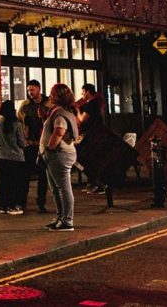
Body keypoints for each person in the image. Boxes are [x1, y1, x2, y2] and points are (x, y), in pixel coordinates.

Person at [40, 83, 79, 232]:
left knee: (63, 188)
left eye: (52, 93)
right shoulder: (57, 111)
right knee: (56, 188)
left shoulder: (61, 113)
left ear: (60, 96)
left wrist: (49, 149)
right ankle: (60, 218)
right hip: (55, 154)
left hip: (58, 154)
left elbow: (59, 132)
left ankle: (67, 221)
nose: (49, 95)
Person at [17, 79, 50, 213]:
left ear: (39, 89)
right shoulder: (24, 105)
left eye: (33, 90)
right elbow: (19, 121)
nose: (30, 93)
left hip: (43, 144)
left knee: (43, 176)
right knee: (24, 175)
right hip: (29, 145)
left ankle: (41, 203)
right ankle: (22, 202)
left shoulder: (48, 103)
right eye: (29, 90)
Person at [0, 99, 27, 216]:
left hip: (2, 157)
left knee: (4, 183)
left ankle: (4, 206)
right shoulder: (17, 124)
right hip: (16, 158)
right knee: (16, 183)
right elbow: (22, 143)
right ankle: (13, 206)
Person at [78, 83, 107, 194]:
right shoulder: (95, 103)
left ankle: (97, 183)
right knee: (91, 159)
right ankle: (93, 183)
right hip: (95, 134)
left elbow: (82, 119)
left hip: (93, 135)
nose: (81, 94)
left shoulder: (92, 104)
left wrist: (77, 110)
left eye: (83, 91)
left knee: (90, 159)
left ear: (88, 92)